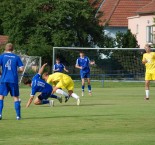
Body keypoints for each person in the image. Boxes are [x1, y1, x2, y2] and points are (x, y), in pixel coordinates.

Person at [0, 43, 24, 120]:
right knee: (16, 97)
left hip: (4, 79)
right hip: (13, 80)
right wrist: (16, 71)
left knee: (1, 97)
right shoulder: (16, 57)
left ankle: (0, 115)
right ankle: (18, 116)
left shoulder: (2, 56)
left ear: (5, 49)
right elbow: (21, 69)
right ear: (12, 49)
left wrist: (1, 73)